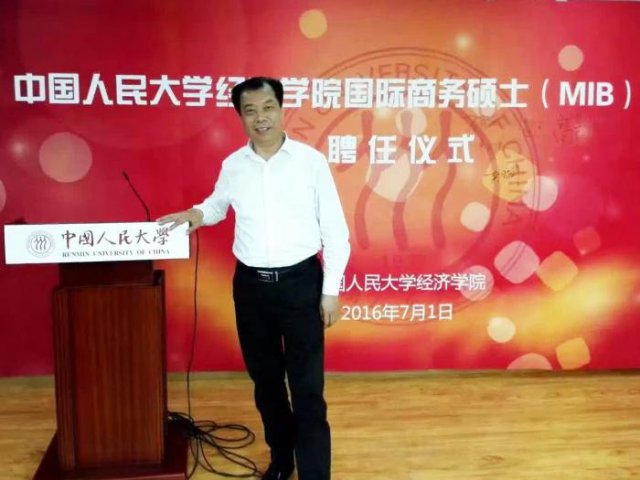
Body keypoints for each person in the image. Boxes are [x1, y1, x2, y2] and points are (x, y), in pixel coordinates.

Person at [158, 77, 350, 480]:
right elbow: (217, 206)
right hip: (251, 290)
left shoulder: (310, 162)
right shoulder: (234, 165)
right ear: (240, 117)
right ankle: (282, 460)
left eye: (268, 108)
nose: (261, 118)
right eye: (250, 111)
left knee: (307, 389)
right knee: (266, 384)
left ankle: (315, 473)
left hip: (301, 285)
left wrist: (330, 291)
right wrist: (195, 215)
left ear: (281, 109)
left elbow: (335, 228)